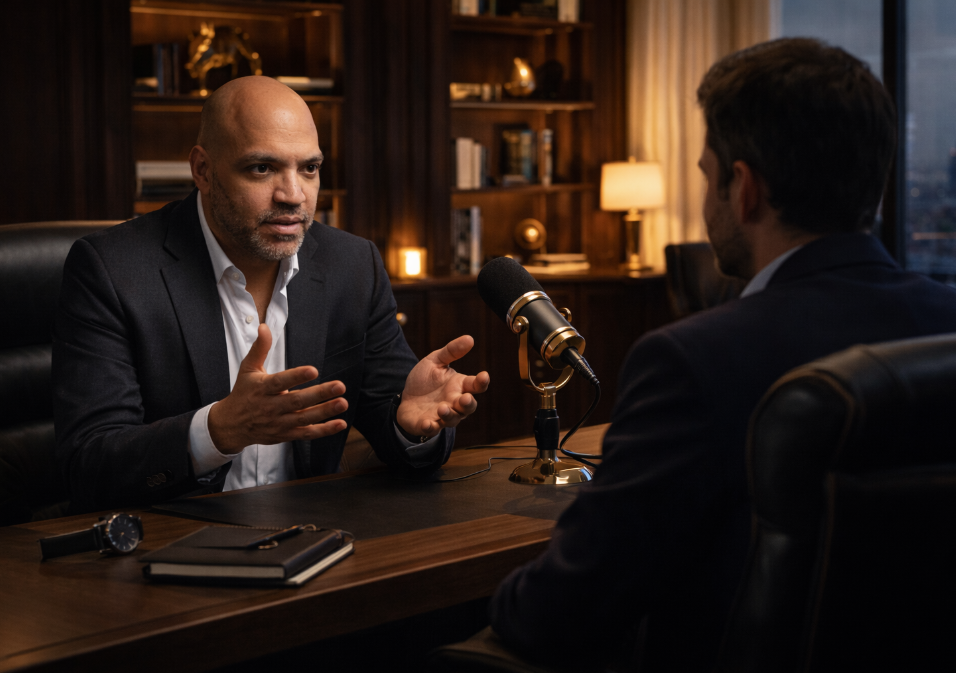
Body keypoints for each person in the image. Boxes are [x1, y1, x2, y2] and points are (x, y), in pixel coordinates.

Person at [489, 38, 956, 671]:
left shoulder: (691, 362)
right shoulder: (943, 327)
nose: (707, 195)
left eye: (707, 173)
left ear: (744, 189)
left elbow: (561, 612)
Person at [52, 76, 489, 513]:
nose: (293, 195)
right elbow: (89, 466)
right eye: (261, 168)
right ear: (203, 170)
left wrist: (410, 429)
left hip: (312, 542)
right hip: (166, 547)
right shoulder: (112, 270)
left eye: (309, 168)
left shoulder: (352, 266)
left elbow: (400, 422)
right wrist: (219, 430)